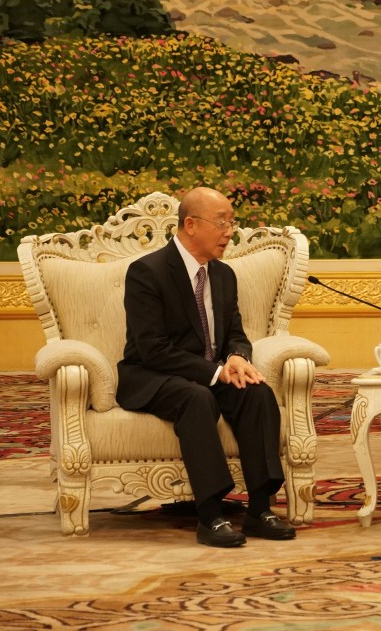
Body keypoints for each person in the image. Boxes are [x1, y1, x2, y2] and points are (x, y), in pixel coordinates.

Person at [116, 186, 296, 547]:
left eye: (232, 223)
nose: (230, 232)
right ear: (191, 225)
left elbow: (236, 334)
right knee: (196, 398)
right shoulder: (147, 272)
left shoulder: (223, 275)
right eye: (222, 223)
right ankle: (210, 515)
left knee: (257, 393)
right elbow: (152, 349)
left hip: (208, 373)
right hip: (155, 374)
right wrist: (215, 372)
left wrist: (237, 357)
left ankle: (260, 509)